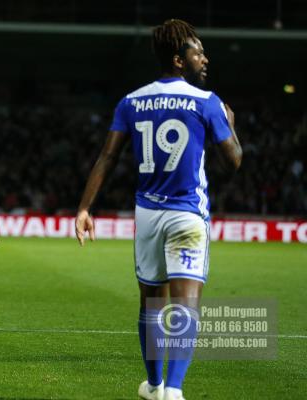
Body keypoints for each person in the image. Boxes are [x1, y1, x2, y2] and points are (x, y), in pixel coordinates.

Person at [74, 19, 242, 400]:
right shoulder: (207, 102)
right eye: (198, 52)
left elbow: (107, 156)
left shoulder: (132, 101)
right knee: (185, 304)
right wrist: (231, 125)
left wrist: (85, 207)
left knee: (150, 304)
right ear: (179, 60)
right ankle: (175, 390)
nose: (205, 59)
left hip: (147, 215)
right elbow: (233, 161)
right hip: (186, 214)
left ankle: (153, 386)